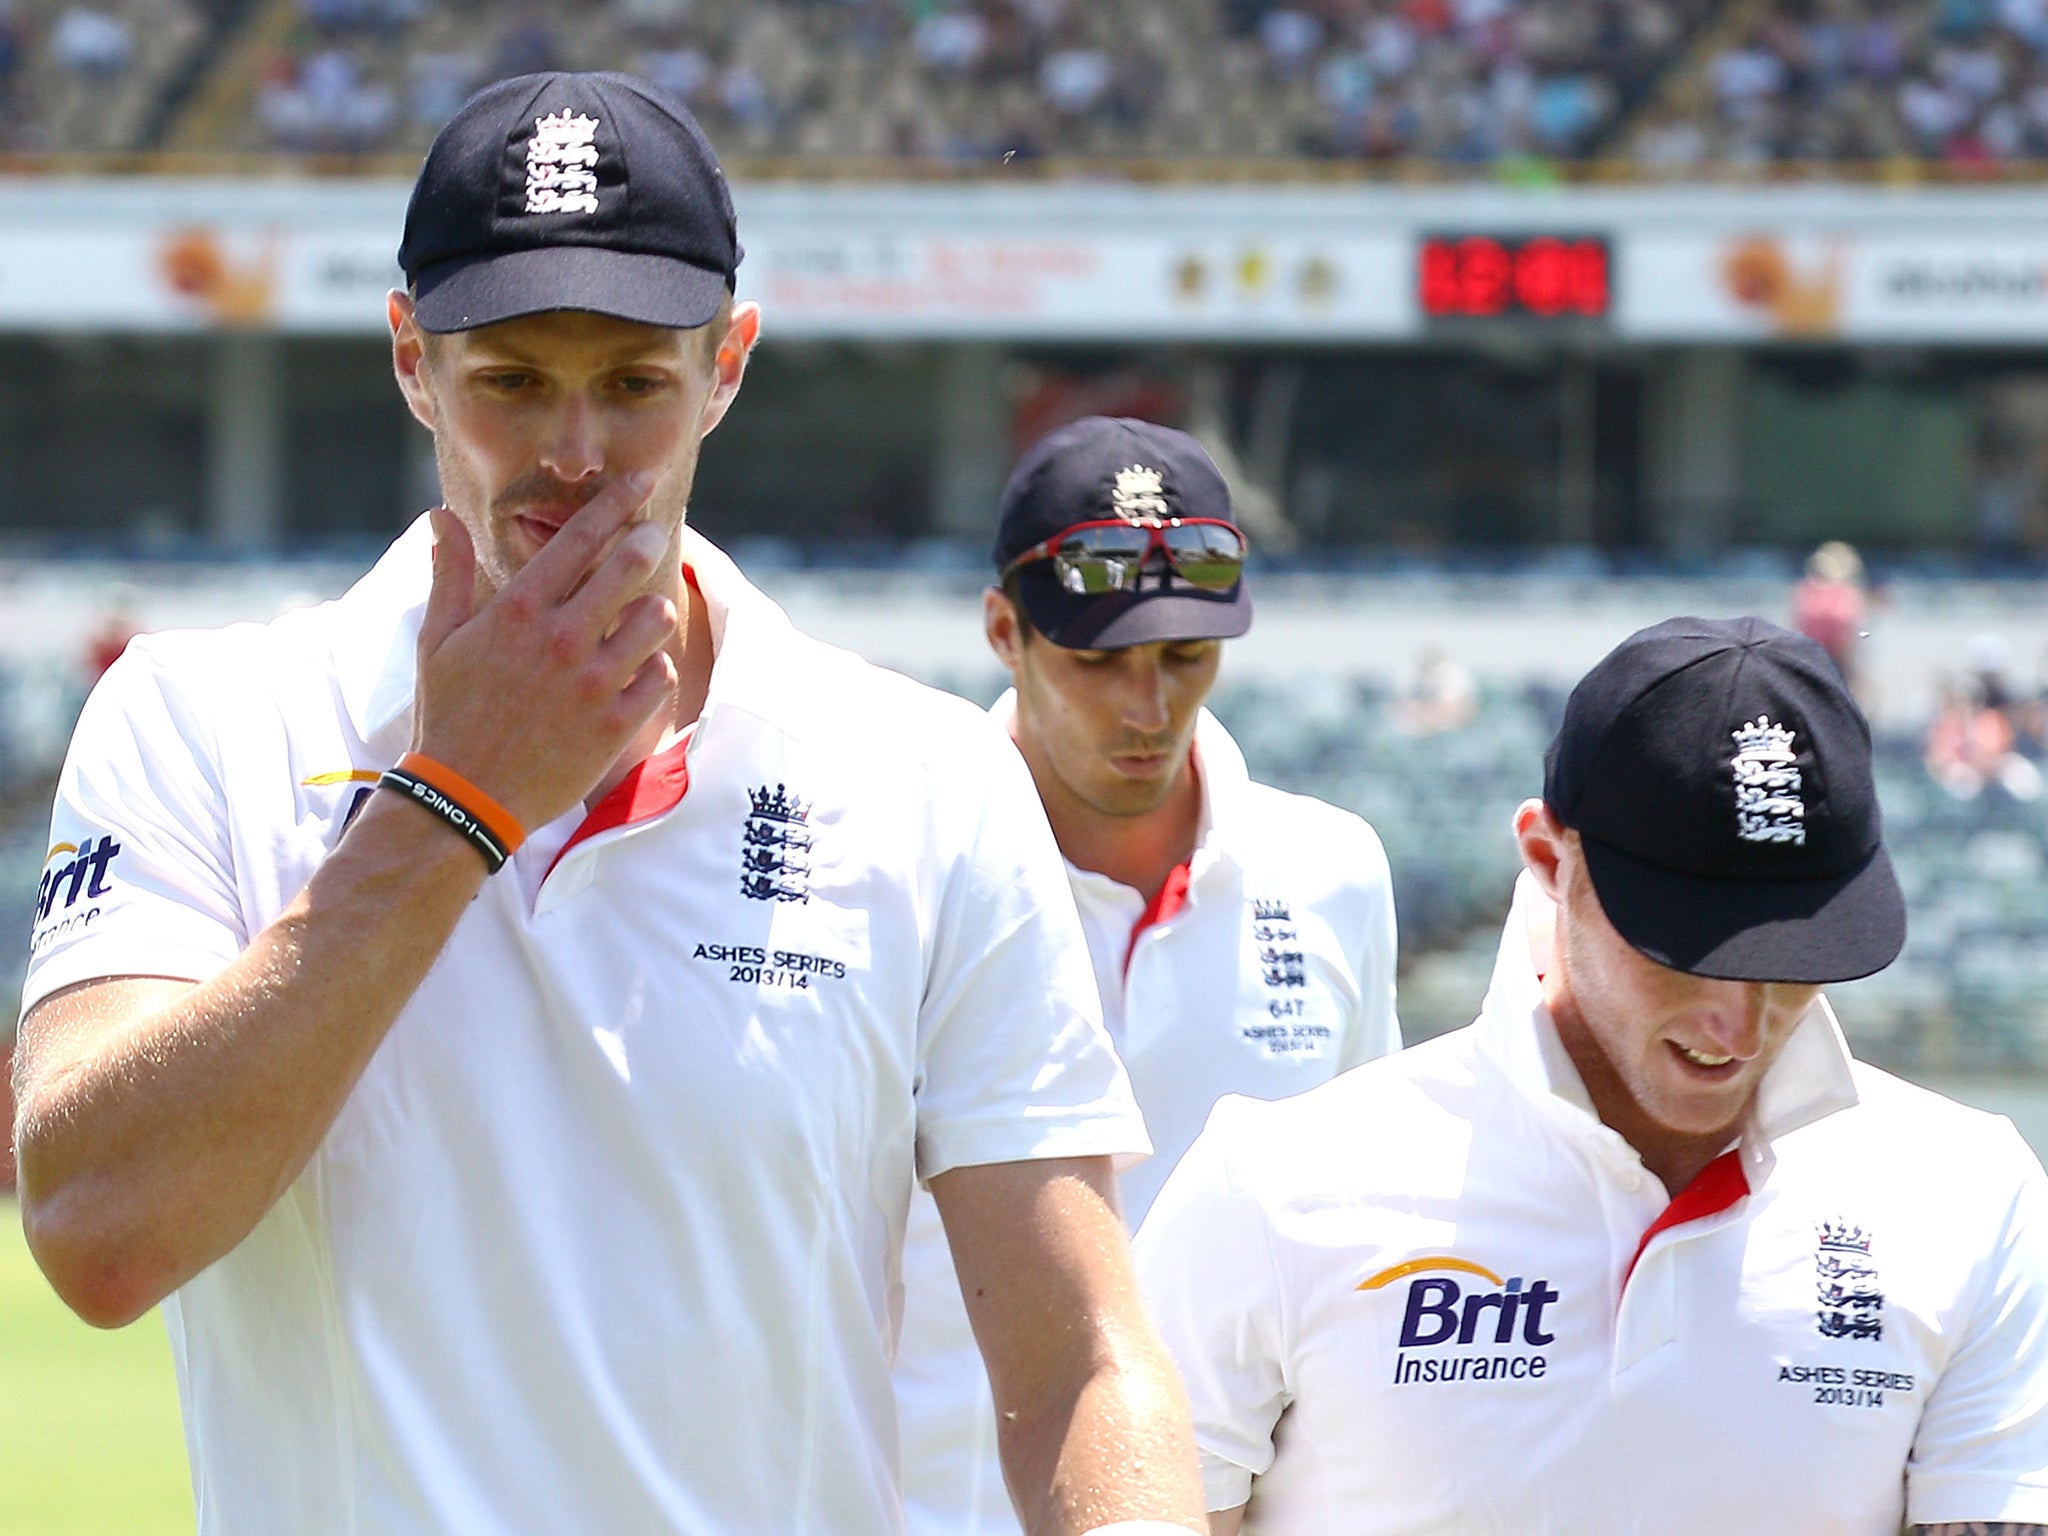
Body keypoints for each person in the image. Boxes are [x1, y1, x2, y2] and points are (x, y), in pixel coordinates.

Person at [11, 74, 1205, 1536]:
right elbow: (95, 1235)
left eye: (635, 382)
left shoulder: (928, 777)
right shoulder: (201, 716)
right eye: (511, 377)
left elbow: (1081, 1355)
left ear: (727, 370)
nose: (574, 454)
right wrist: (454, 802)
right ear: (412, 362)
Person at [1136, 616, 2048, 1536]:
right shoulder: (1271, 1188)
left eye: (1795, 957)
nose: (1739, 1022)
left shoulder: (1974, 1197)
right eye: (1683, 948)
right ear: (1547, 860)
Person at [895, 415, 1402, 1536]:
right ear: (1001, 630)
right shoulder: (895, 876)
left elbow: (1362, 1242)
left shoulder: (1330, 871)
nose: (1147, 708)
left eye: (1184, 657)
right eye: (1097, 661)